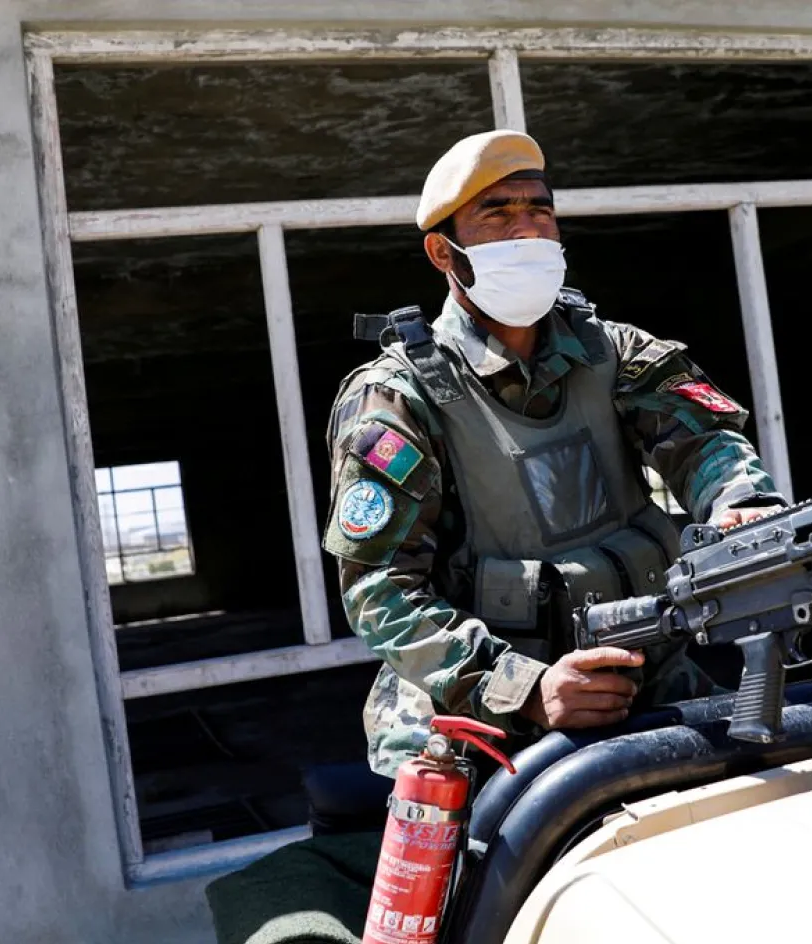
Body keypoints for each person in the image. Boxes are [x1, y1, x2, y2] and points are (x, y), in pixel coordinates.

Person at [323, 130, 787, 777]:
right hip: (475, 727)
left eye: (539, 209)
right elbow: (377, 588)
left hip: (641, 683)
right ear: (441, 250)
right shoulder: (400, 396)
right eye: (498, 212)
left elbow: (703, 440)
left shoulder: (609, 350)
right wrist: (525, 690)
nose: (528, 230)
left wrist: (744, 504)